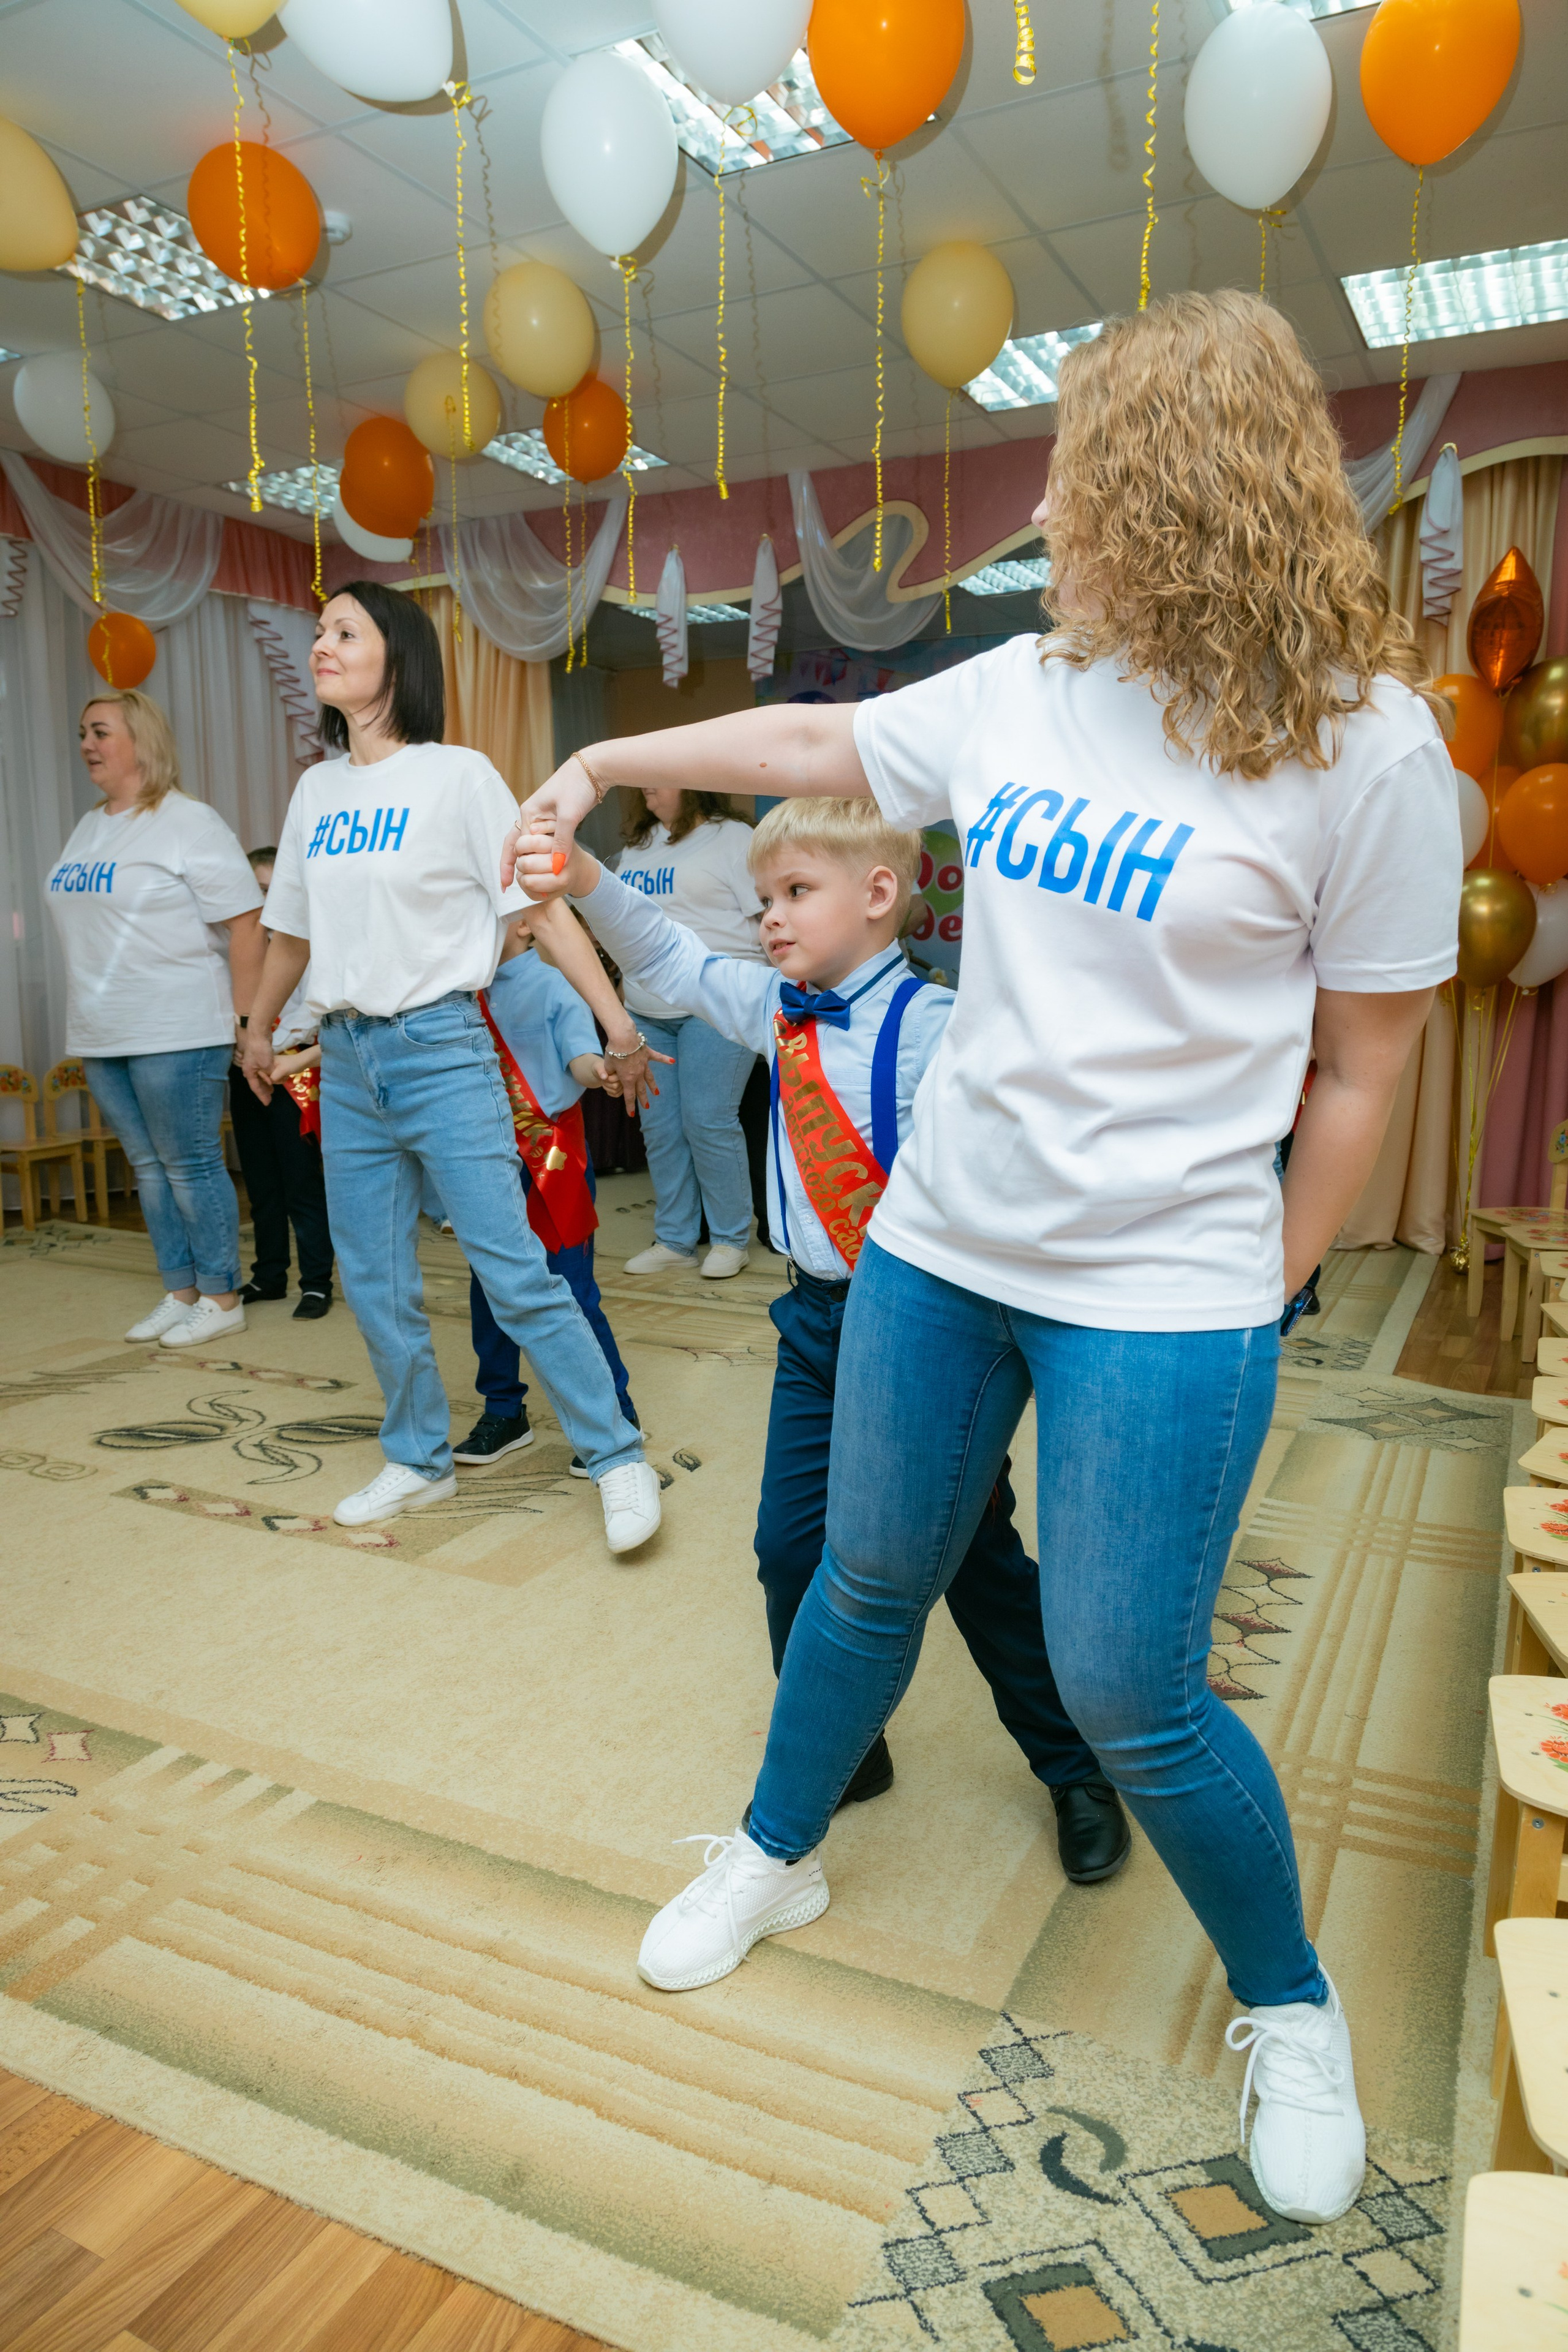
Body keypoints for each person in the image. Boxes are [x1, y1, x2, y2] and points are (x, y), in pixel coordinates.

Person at [507, 292, 1463, 2226]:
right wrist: (612, 756)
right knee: (868, 1571)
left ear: (1175, 492)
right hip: (942, 1248)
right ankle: (779, 1845)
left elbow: (1361, 1072)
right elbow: (819, 731)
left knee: (1133, 1685)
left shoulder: (1371, 749)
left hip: (1168, 1286)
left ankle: (1288, 2004)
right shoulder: (1028, 682)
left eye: (1074, 480)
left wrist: (1260, 1289)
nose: (1047, 515)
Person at [528, 796, 1128, 1887]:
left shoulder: (942, 1030)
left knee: (973, 1561)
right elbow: (662, 957)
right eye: (763, 901)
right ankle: (847, 1745)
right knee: (790, 1551)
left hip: (927, 1332)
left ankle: (1075, 1769)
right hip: (811, 1320)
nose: (769, 920)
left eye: (796, 894)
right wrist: (579, 876)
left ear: (881, 895)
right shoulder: (773, 1005)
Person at [236, 581, 662, 1558]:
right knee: (377, 1280)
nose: (321, 646)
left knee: (515, 1273)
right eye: (317, 633)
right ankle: (417, 1453)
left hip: (441, 1049)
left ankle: (615, 1452)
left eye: (345, 630)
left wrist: (617, 1023)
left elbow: (544, 910)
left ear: (400, 656)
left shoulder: (459, 777)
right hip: (345, 1063)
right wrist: (258, 1026)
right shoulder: (316, 791)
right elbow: (290, 932)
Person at [46, 688, 264, 1348]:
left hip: (177, 1027)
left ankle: (223, 1295)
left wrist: (249, 1021)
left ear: (140, 740)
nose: (86, 744)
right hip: (102, 1028)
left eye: (101, 732)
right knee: (146, 1166)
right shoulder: (92, 825)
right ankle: (181, 1290)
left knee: (189, 1165)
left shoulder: (188, 822)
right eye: (82, 732)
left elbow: (248, 923)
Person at [451, 903, 644, 1472]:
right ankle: (504, 1410)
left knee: (572, 1290)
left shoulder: (553, 984)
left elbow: (580, 1057)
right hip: (485, 1160)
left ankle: (617, 1413)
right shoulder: (459, 993)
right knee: (490, 1289)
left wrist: (600, 1071)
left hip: (550, 1156)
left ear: (523, 923)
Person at [614, 788, 764, 1280]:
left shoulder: (733, 838)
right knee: (660, 1128)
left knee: (708, 1120)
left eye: (660, 777)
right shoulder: (639, 845)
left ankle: (729, 1238)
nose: (648, 787)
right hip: (645, 1009)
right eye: (642, 780)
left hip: (715, 1002)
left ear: (693, 782)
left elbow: (767, 918)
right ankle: (675, 1239)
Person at [228, 846, 334, 1321]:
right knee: (260, 1179)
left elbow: (321, 1017)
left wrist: (278, 1056)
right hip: (245, 1066)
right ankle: (269, 1274)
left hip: (294, 1070)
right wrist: (240, 1040)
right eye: (258, 893)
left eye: (273, 892)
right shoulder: (236, 946)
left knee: (301, 1181)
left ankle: (316, 1282)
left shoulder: (307, 945)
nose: (266, 904)